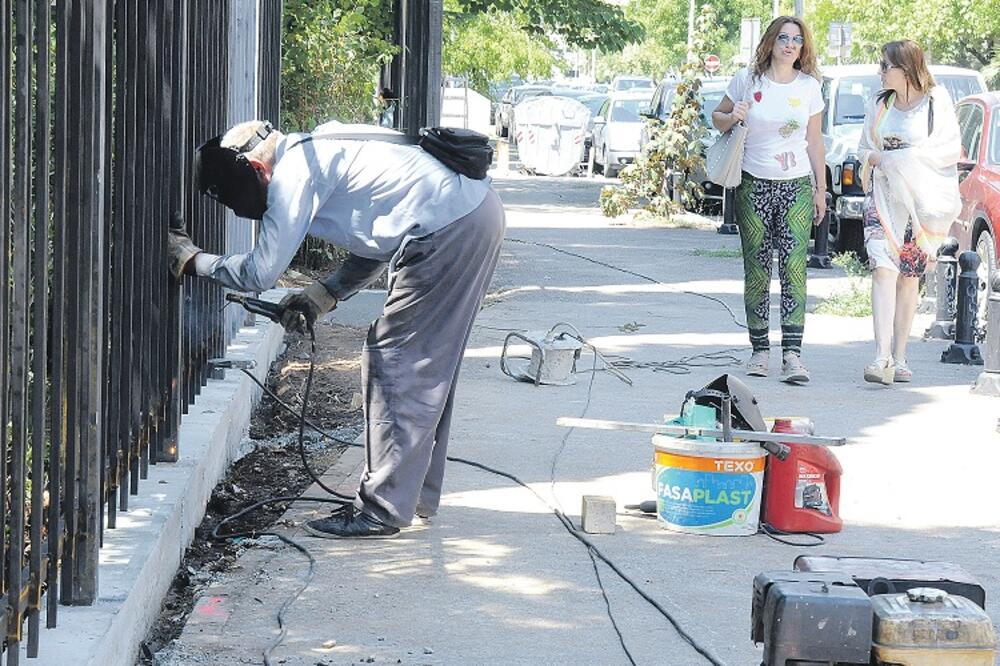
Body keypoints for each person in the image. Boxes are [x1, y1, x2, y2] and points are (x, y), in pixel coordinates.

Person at [168, 119, 506, 538]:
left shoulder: (295, 172)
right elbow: (378, 236)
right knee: (427, 361)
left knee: (395, 360)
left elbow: (260, 272)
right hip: (472, 215)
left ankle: (382, 509)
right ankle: (412, 493)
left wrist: (193, 260)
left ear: (257, 169)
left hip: (451, 229)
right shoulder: (323, 146)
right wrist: (323, 294)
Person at [712, 16, 826, 384]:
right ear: (771, 42)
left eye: (797, 39)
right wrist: (733, 115)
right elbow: (717, 118)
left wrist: (820, 189)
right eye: (783, 38)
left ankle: (792, 355)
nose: (790, 45)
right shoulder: (748, 80)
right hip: (753, 182)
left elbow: (815, 141)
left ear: (803, 47)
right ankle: (759, 351)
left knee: (794, 268)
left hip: (796, 186)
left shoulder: (809, 87)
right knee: (757, 269)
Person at [856, 41, 960, 384]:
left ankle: (900, 356)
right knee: (882, 268)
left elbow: (949, 149)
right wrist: (877, 158)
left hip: (919, 203)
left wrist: (904, 158)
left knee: (909, 275)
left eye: (885, 66)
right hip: (882, 196)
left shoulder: (936, 101)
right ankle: (881, 357)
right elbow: (864, 148)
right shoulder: (879, 103)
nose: (880, 72)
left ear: (906, 68)